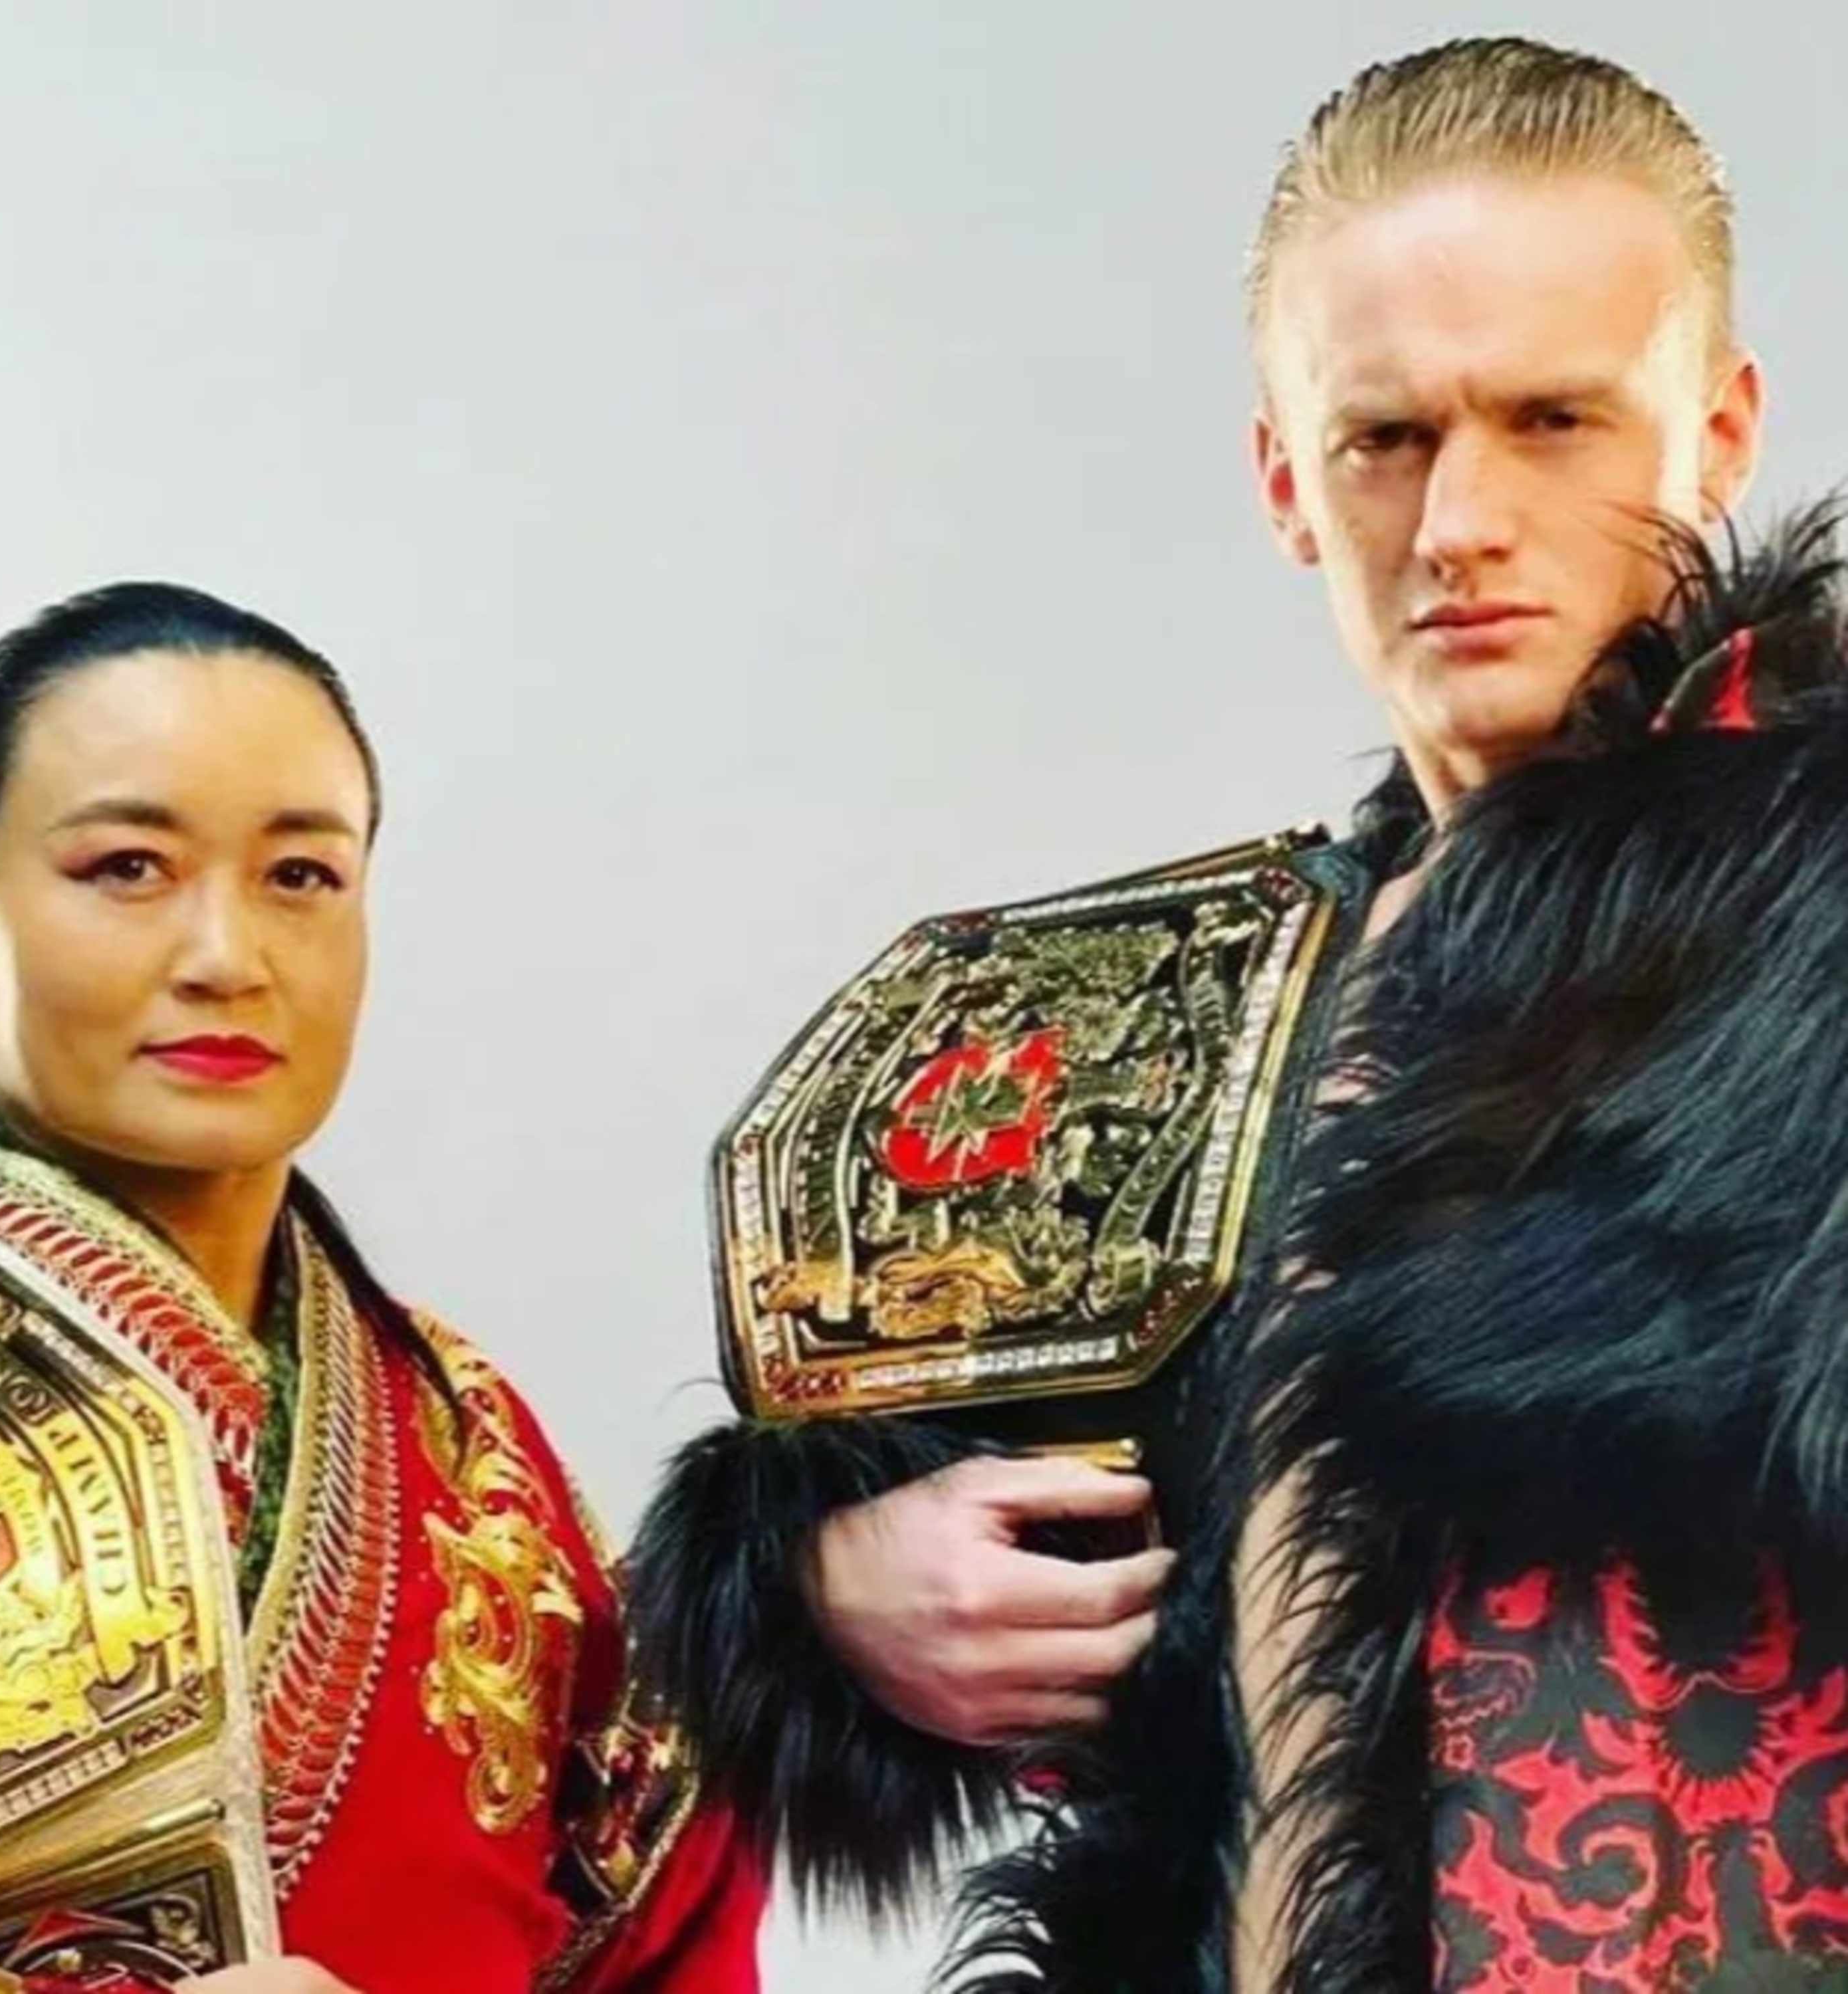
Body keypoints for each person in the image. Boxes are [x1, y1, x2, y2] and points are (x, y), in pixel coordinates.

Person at [628, 33, 1848, 1987]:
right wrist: (830, 1582)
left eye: (1554, 421)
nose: (1460, 520)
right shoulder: (1184, 1014)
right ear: (1286, 478)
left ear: (1719, 434)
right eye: (1387, 439)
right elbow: (889, 1520)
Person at [0, 582, 765, 1993]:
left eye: (300, 877)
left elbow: (664, 1934)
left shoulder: (474, 1448)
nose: (227, 958)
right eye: (127, 867)